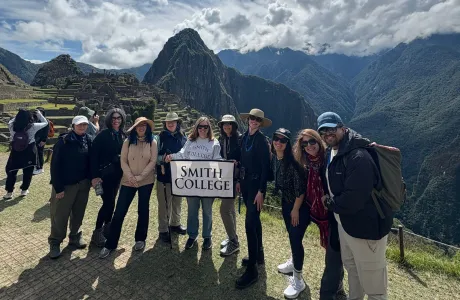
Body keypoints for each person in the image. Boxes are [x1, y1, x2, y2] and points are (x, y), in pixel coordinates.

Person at [318, 112, 392, 300]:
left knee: (375, 288)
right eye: (324, 131)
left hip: (366, 231)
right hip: (346, 227)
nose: (328, 134)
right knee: (353, 272)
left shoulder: (358, 157)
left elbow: (353, 200)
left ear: (342, 128)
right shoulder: (332, 152)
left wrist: (328, 203)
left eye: (332, 129)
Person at [292, 128, 346, 300]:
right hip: (312, 207)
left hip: (330, 212)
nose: (309, 146)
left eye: (312, 141)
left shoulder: (329, 158)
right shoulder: (305, 161)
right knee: (296, 234)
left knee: (333, 255)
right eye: (304, 143)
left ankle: (337, 287)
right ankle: (294, 264)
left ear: (318, 140)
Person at [99, 117, 158, 259]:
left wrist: (140, 177)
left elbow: (153, 161)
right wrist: (130, 176)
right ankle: (110, 244)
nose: (142, 127)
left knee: (143, 210)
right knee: (119, 212)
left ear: (147, 127)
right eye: (139, 125)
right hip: (127, 181)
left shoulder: (152, 142)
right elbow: (123, 161)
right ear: (135, 127)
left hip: (146, 181)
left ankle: (140, 239)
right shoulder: (128, 141)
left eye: (144, 125)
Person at [165, 117, 221, 251]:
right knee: (192, 211)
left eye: (205, 127)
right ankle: (192, 235)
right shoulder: (190, 141)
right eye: (200, 127)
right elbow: (182, 155)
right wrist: (171, 156)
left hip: (208, 184)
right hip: (192, 183)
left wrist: (228, 165)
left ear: (209, 128)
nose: (202, 129)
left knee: (207, 211)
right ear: (196, 128)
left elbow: (218, 160)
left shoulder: (214, 143)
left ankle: (207, 237)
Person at [235, 108, 271, 289]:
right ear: (248, 119)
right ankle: (258, 256)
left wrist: (262, 191)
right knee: (255, 222)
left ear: (260, 123)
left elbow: (265, 168)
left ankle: (252, 271)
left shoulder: (263, 142)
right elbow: (242, 161)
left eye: (257, 120)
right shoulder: (245, 138)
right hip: (246, 184)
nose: (254, 121)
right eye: (252, 118)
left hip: (256, 186)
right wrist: (239, 181)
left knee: (250, 224)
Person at [270, 128, 308, 298]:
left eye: (283, 140)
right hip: (286, 203)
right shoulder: (276, 158)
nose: (278, 142)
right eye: (276, 139)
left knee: (295, 238)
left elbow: (300, 190)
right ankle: (293, 262)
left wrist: (295, 210)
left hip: (298, 206)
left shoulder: (292, 164)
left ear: (287, 144)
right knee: (292, 237)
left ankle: (298, 280)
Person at [48, 115, 92, 259]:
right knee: (60, 215)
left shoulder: (88, 140)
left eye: (85, 124)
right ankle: (55, 241)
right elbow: (54, 166)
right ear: (73, 126)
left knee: (78, 213)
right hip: (66, 186)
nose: (82, 127)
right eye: (79, 125)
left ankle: (75, 236)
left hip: (83, 184)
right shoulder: (64, 141)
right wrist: (58, 188)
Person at [90, 108, 127, 247]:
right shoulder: (103, 135)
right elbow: (94, 157)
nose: (116, 120)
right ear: (109, 120)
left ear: (122, 119)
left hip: (117, 176)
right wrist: (94, 176)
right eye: (113, 118)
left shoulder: (122, 135)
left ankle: (107, 229)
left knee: (111, 203)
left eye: (118, 118)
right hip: (104, 176)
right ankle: (97, 232)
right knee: (108, 203)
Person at [156, 111, 187, 243]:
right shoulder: (160, 138)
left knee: (177, 201)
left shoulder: (183, 137)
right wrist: (163, 158)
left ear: (177, 123)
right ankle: (163, 229)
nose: (171, 124)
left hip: (179, 176)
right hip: (165, 175)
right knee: (164, 204)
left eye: (173, 122)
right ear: (165, 124)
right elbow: (153, 156)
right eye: (168, 122)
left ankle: (175, 224)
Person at [4, 109, 49, 200]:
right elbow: (45, 123)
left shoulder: (12, 125)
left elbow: (11, 121)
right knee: (28, 171)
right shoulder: (33, 126)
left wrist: (16, 117)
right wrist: (39, 115)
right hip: (30, 150)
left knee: (12, 170)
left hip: (16, 150)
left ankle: (9, 192)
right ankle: (24, 190)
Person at [217, 114, 241, 257]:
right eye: (224, 124)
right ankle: (232, 236)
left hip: (234, 179)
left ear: (233, 125)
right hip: (225, 178)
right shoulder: (222, 139)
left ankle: (234, 242)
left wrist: (238, 180)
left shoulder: (239, 140)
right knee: (230, 209)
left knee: (224, 210)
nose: (227, 126)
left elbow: (243, 159)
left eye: (229, 124)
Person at [32, 107, 50, 175]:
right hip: (34, 139)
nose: (39, 114)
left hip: (41, 140)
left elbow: (46, 132)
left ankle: (41, 167)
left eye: (40, 113)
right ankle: (36, 167)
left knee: (40, 153)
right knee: (35, 153)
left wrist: (44, 140)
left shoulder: (46, 121)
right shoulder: (34, 120)